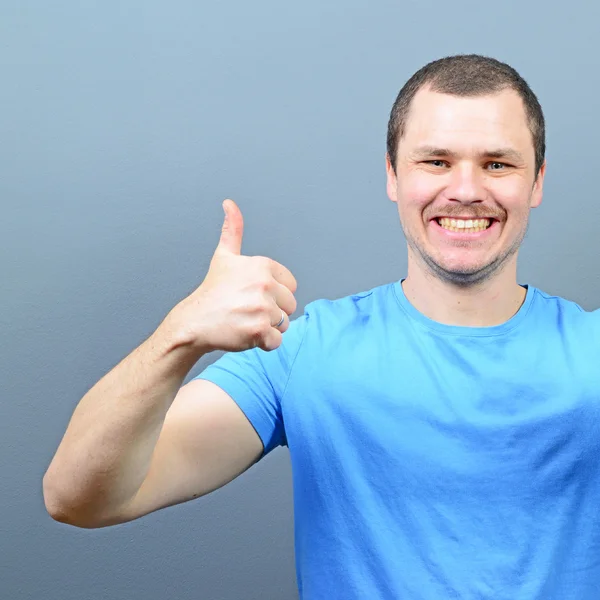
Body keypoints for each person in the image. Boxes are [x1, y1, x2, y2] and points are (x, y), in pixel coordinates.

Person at [43, 53, 600, 598]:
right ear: (392, 174)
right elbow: (79, 498)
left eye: (497, 164)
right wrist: (178, 337)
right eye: (436, 161)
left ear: (537, 181)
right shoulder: (303, 352)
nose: (465, 189)